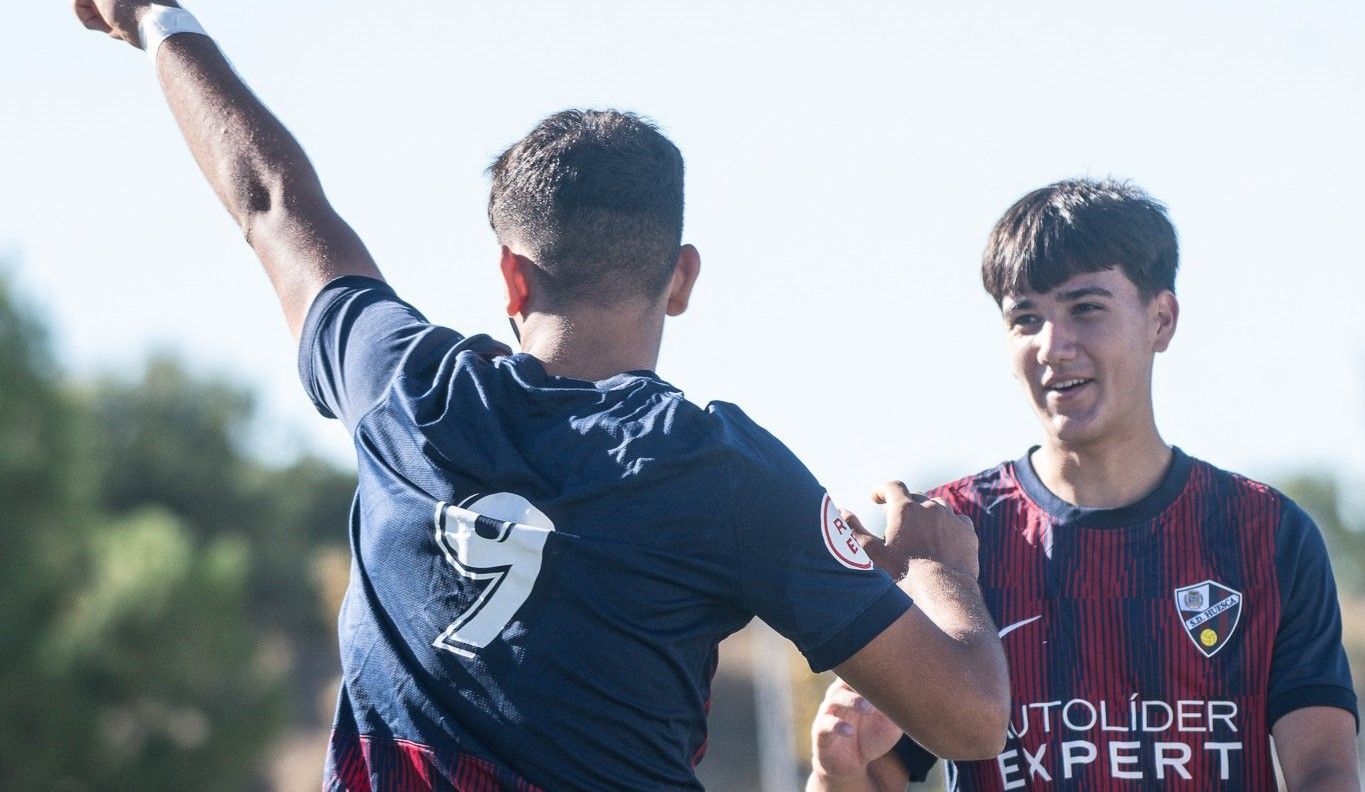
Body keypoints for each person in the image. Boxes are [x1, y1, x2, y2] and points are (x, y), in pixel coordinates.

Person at [74, 2, 1012, 789]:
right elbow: (969, 720)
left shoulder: (403, 384)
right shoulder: (721, 470)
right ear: (680, 278)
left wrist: (157, 17)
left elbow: (272, 201)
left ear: (512, 278)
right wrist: (941, 566)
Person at [808, 179, 1360, 791]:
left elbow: (1325, 769)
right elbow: (875, 773)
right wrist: (839, 766)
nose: (1053, 346)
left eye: (1085, 308)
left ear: (1161, 319)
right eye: (1025, 318)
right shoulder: (950, 537)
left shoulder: (1267, 534)